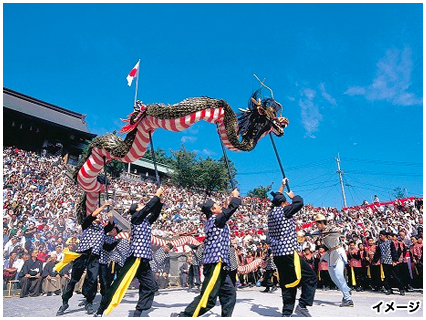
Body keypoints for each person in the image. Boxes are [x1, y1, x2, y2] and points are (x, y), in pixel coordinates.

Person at [95, 187, 164, 317]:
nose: (142, 205)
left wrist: (160, 202)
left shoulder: (145, 221)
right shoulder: (136, 218)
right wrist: (156, 195)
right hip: (134, 257)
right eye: (139, 205)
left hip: (144, 259)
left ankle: (138, 311)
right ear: (136, 210)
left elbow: (154, 214)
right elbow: (148, 209)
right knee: (119, 284)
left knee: (151, 286)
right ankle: (101, 309)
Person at [171, 188, 241, 317]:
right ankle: (184, 316)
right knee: (209, 298)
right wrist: (235, 197)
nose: (220, 206)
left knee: (229, 293)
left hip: (220, 264)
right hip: (215, 263)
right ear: (213, 210)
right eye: (217, 206)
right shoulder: (216, 220)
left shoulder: (214, 220)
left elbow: (225, 210)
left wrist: (228, 200)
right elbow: (230, 209)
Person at [267, 178, 317, 317]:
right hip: (289, 253)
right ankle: (302, 305)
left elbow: (276, 198)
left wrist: (282, 186)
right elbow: (299, 202)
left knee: (287, 282)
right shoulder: (284, 211)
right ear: (283, 203)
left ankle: (287, 312)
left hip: (278, 254)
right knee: (311, 277)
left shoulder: (271, 213)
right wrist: (293, 196)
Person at [56, 199, 114, 316]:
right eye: (97, 215)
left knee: (92, 280)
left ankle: (89, 301)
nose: (98, 216)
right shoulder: (86, 224)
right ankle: (65, 301)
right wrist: (104, 206)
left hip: (94, 257)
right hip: (82, 254)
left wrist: (111, 212)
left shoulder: (102, 229)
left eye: (100, 216)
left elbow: (111, 225)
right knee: (74, 279)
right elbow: (92, 215)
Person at [314, 213, 354, 307]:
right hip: (330, 253)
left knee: (339, 275)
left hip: (338, 251)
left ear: (322, 223)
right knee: (333, 277)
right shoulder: (320, 232)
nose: (317, 225)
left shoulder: (331, 229)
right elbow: (312, 235)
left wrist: (337, 231)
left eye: (318, 223)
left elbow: (340, 232)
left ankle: (348, 299)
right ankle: (346, 290)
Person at [373, 231, 405, 295]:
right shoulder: (380, 244)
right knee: (386, 276)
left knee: (395, 276)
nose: (380, 237)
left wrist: (395, 260)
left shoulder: (390, 243)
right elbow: (378, 253)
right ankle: (389, 289)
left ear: (385, 236)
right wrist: (375, 260)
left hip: (391, 262)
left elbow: (394, 252)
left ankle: (401, 289)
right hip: (384, 262)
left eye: (381, 235)